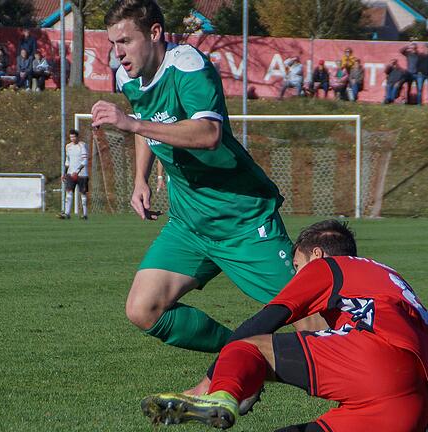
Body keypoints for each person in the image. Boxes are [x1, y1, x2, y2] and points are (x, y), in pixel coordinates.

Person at [90, 0, 322, 370]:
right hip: (190, 224)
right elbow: (144, 120)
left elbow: (209, 133)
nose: (118, 53)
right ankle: (240, 351)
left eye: (125, 42)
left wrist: (132, 124)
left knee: (312, 317)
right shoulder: (128, 77)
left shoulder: (188, 66)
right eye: (113, 44)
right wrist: (140, 179)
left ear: (154, 33)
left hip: (242, 222)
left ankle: (400, 394)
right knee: (142, 308)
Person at [142, 220, 428, 432]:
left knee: (246, 346)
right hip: (411, 407)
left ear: (318, 255)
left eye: (297, 267)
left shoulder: (328, 267)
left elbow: (264, 321)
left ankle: (223, 395)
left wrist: (210, 382)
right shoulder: (392, 282)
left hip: (372, 360)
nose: (296, 275)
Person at [58, 129, 90, 220]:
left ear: (77, 137)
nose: (72, 139)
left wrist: (78, 171)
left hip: (82, 174)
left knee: (83, 194)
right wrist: (64, 173)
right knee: (69, 192)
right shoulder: (68, 146)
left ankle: (85, 214)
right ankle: (67, 213)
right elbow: (67, 161)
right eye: (71, 137)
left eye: (74, 137)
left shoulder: (82, 145)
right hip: (70, 174)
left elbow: (84, 160)